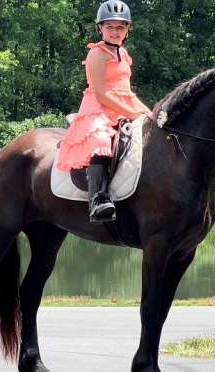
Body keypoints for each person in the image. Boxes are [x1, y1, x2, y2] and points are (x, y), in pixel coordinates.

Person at [57, 0, 153, 224]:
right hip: (98, 108)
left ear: (128, 29)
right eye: (110, 26)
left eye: (120, 27)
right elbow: (101, 93)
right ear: (100, 28)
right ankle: (98, 200)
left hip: (122, 105)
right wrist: (131, 113)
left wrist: (149, 113)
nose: (115, 31)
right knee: (101, 140)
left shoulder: (124, 54)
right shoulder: (97, 54)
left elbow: (127, 92)